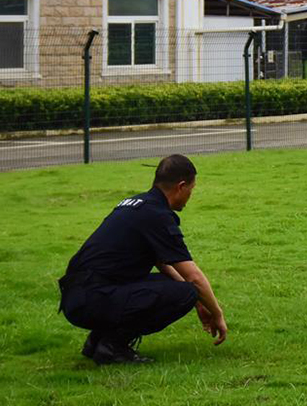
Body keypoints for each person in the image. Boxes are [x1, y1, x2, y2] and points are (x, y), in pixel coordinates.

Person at [58, 154, 227, 364]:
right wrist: (216, 313)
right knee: (184, 292)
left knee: (180, 287)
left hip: (79, 294)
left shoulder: (138, 204)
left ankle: (99, 340)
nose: (190, 196)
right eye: (191, 190)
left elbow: (162, 262)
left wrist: (199, 301)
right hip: (91, 298)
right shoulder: (156, 215)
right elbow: (194, 276)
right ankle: (113, 346)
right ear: (181, 186)